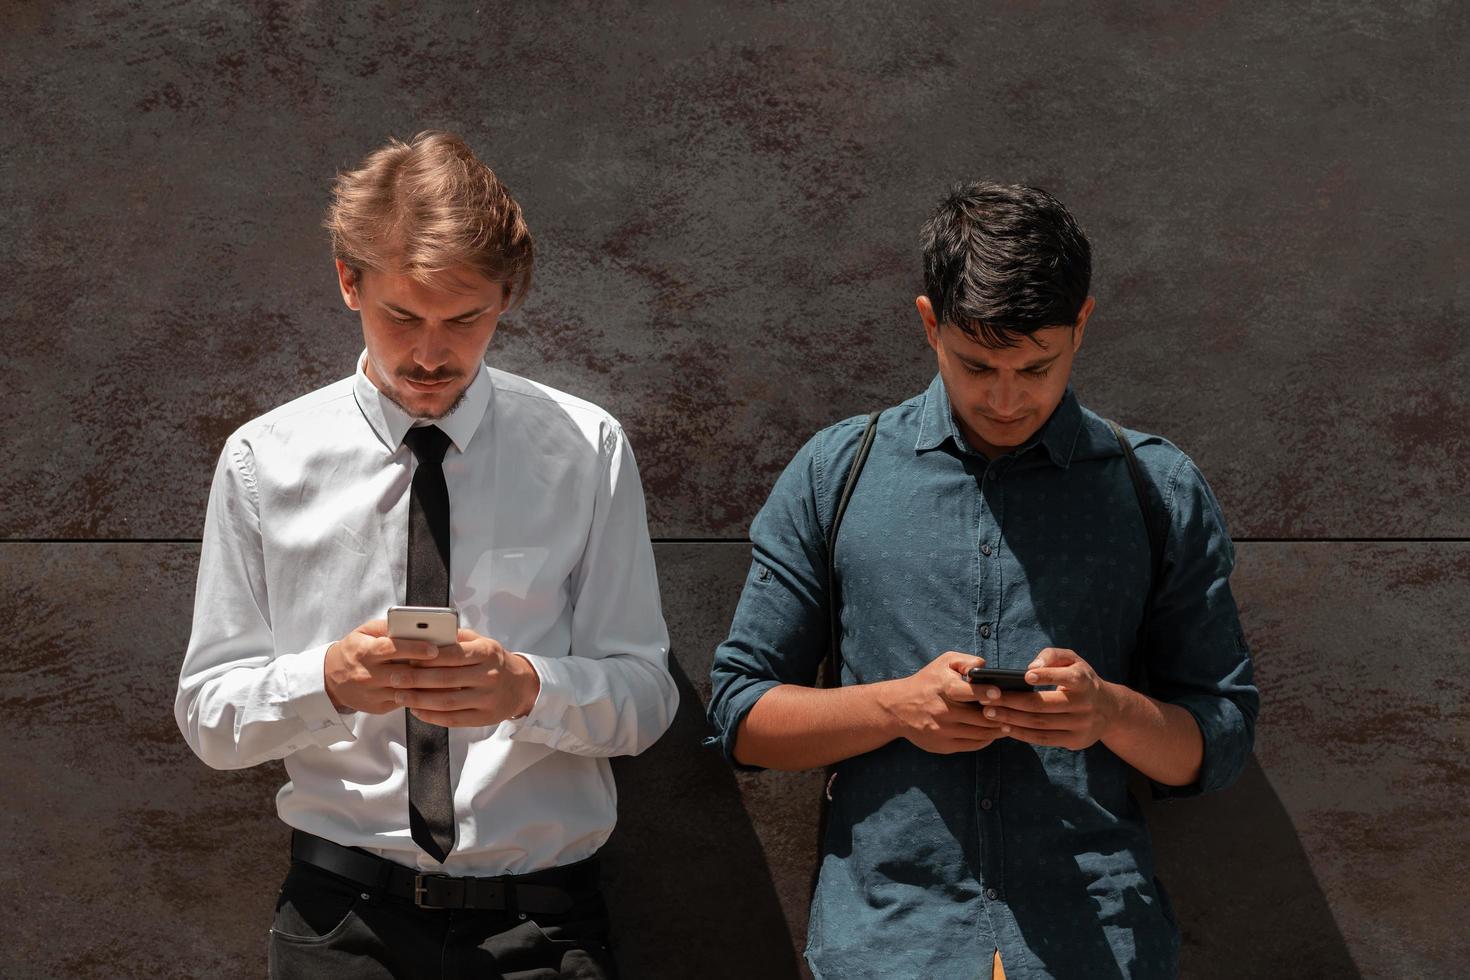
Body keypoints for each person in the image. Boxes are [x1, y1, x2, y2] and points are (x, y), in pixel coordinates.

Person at [707, 182, 1258, 979]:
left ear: (1084, 327)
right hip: (890, 946)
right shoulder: (838, 473)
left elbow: (1221, 738)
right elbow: (740, 715)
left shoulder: (1154, 489)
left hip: (1098, 946)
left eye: (1037, 366)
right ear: (929, 324)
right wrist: (896, 708)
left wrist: (1106, 712)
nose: (1007, 398)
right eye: (977, 365)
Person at [175, 131, 677, 980]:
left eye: (466, 318)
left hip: (543, 932)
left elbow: (647, 696)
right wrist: (327, 681)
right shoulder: (266, 460)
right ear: (348, 282)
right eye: (402, 317)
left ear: (509, 297)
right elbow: (209, 717)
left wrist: (527, 689)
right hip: (341, 927)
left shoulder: (585, 449)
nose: (432, 354)